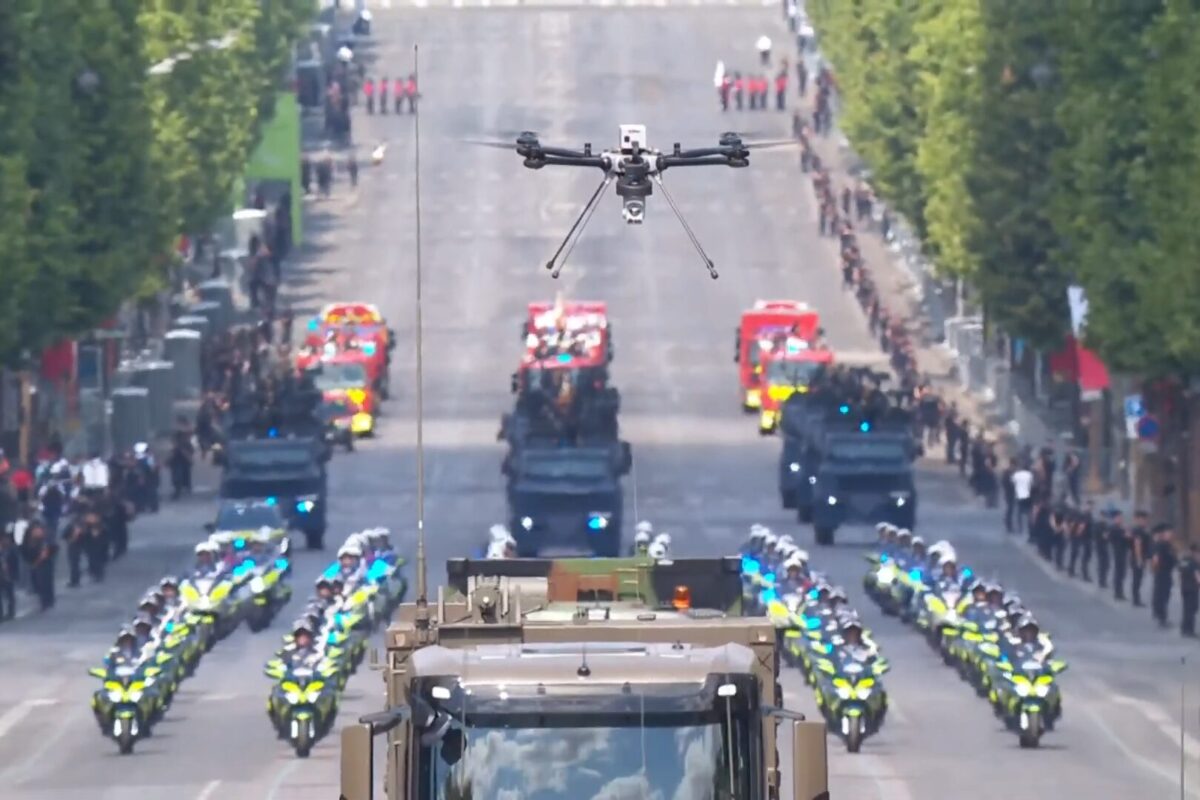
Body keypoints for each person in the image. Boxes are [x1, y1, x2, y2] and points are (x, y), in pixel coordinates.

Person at [1150, 523, 1176, 628]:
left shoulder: (1168, 545)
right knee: (1162, 595)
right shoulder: (1161, 545)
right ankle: (1162, 618)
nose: (1171, 534)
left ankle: (1160, 614)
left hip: (1166, 572)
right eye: (1169, 533)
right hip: (1162, 572)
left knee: (1164, 594)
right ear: (1164, 534)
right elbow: (1155, 559)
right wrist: (1156, 571)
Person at [1129, 510, 1150, 606]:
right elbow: (1137, 544)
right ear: (1138, 520)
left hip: (1140, 557)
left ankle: (1136, 598)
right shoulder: (1138, 530)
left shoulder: (1141, 530)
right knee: (1137, 579)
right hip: (1137, 557)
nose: (1145, 521)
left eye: (1145, 519)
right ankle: (1136, 600)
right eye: (1143, 519)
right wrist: (1139, 559)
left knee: (1138, 578)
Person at [1108, 508, 1129, 601]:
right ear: (1115, 518)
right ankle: (1118, 592)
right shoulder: (1114, 528)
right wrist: (1125, 532)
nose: (1121, 519)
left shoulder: (1120, 528)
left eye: (1121, 517)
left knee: (1122, 572)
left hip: (1123, 552)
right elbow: (1125, 536)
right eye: (1119, 517)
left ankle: (1119, 591)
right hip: (1118, 552)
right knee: (1119, 573)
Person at [1179, 544, 1198, 638]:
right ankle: (1190, 630)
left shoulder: (1183, 560)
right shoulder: (1194, 562)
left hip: (1184, 587)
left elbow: (1180, 573)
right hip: (1192, 588)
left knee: (1186, 609)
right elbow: (1197, 576)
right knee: (1192, 609)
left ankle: (1184, 628)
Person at [0, 528, 17, 619]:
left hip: (9, 575)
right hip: (1, 575)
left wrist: (14, 575)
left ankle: (11, 612)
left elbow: (15, 563)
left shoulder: (11, 550)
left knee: (10, 594)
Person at [1011, 461, 1033, 534]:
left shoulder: (1017, 474)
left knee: (1019, 513)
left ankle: (1020, 528)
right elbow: (1032, 484)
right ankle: (1030, 528)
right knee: (1029, 513)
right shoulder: (1030, 475)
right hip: (1028, 496)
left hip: (1020, 495)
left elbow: (1012, 482)